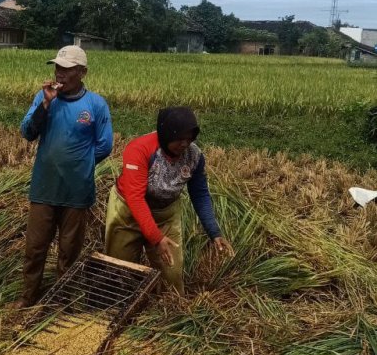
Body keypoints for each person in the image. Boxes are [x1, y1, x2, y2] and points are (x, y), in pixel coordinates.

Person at [16, 45, 113, 307]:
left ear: (82, 72)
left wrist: (80, 166)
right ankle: (28, 296)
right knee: (35, 247)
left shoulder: (95, 104)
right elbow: (27, 132)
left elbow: (105, 145)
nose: (60, 73)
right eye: (58, 67)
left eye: (67, 69)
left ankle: (61, 300)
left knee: (69, 251)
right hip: (44, 187)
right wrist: (45, 105)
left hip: (76, 192)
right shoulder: (44, 97)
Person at [104, 106, 233, 293]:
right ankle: (121, 302)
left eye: (189, 138)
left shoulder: (194, 156)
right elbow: (135, 198)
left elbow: (200, 194)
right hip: (128, 213)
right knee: (119, 271)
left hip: (165, 214)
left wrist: (214, 232)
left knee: (171, 274)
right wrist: (156, 238)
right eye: (179, 138)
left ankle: (167, 305)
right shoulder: (140, 149)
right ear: (165, 135)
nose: (184, 144)